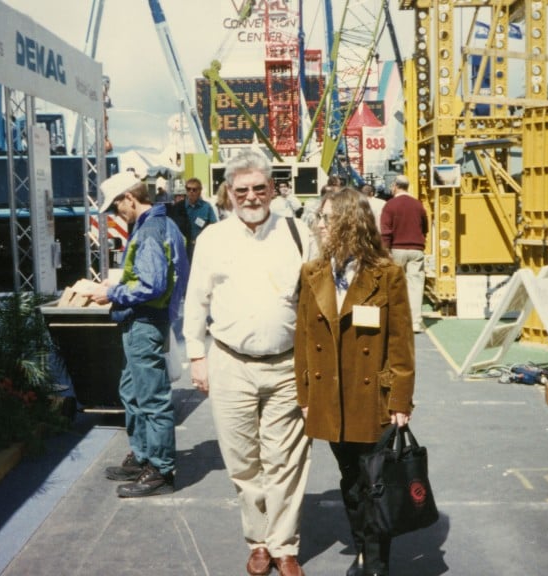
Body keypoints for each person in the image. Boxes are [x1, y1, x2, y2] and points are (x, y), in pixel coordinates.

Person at [183, 152, 313, 576]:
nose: (252, 197)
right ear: (229, 194)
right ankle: (258, 540)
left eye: (259, 188)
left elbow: (318, 303)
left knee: (287, 459)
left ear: (273, 190)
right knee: (243, 461)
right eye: (242, 190)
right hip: (229, 363)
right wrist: (196, 355)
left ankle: (283, 545)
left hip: (287, 364)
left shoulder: (298, 234)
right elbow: (196, 300)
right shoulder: (213, 239)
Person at [294, 187, 415, 576]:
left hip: (372, 400)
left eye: (327, 218)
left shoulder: (387, 275)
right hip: (329, 397)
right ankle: (363, 550)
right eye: (319, 218)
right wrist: (305, 396)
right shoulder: (312, 273)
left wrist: (400, 401)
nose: (319, 225)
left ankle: (376, 563)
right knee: (351, 481)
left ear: (350, 222)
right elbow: (301, 341)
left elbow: (401, 343)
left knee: (374, 483)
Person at [71, 170, 189, 498]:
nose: (115, 214)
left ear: (129, 198)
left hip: (144, 322)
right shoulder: (163, 225)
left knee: (150, 396)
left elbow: (151, 284)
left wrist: (111, 293)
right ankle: (144, 456)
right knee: (134, 391)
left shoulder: (150, 230)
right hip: (149, 320)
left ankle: (160, 469)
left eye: (115, 207)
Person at [380, 175, 428, 333]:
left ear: (394, 186)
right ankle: (415, 322)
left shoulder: (390, 205)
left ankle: (397, 320)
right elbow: (425, 227)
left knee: (395, 284)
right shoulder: (418, 205)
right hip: (416, 249)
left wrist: (386, 250)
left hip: (397, 248)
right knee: (416, 285)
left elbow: (386, 230)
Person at [183, 177, 217, 261]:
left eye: (194, 189)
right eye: (188, 189)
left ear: (200, 191)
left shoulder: (206, 207)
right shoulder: (180, 207)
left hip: (202, 248)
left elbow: (213, 228)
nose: (191, 192)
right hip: (184, 250)